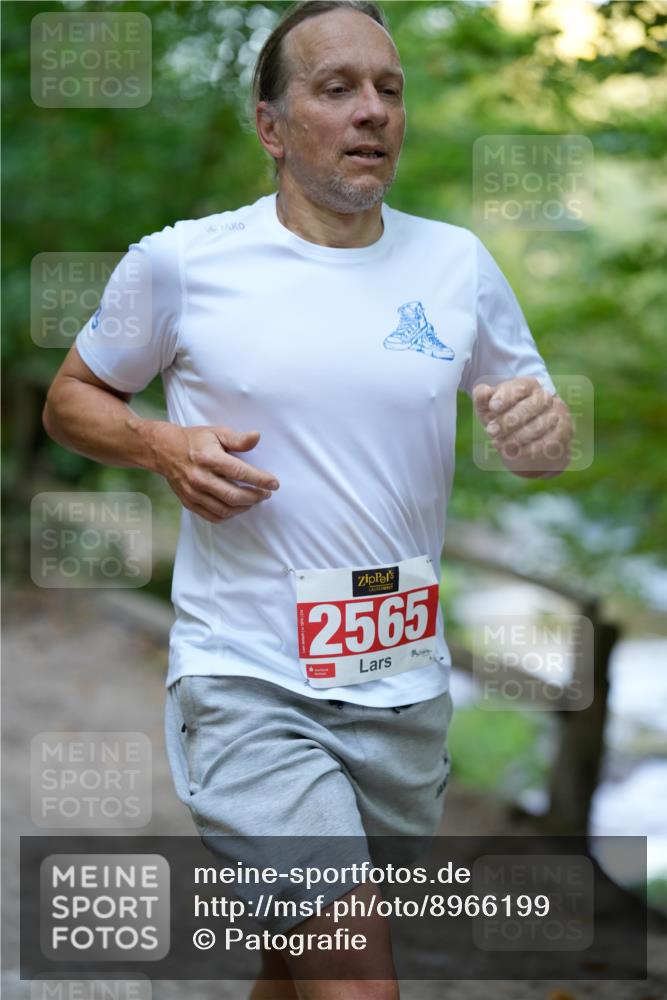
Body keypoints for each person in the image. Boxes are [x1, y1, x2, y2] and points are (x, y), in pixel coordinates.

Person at [42, 2, 573, 997]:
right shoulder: (179, 262)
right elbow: (72, 399)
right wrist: (158, 441)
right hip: (246, 679)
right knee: (358, 979)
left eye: (388, 88)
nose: (372, 110)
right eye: (336, 89)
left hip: (402, 685)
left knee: (302, 964)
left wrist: (546, 434)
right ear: (271, 127)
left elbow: (535, 433)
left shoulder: (456, 264)